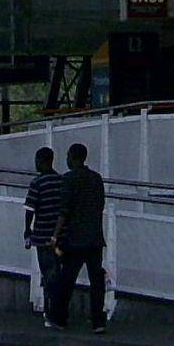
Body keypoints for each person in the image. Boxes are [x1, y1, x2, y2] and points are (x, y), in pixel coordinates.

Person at [51, 142, 107, 331]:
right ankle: (98, 320)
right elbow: (100, 204)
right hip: (95, 236)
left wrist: (55, 235)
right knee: (96, 280)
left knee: (67, 278)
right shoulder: (96, 179)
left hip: (75, 237)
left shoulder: (69, 179)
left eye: (68, 156)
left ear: (73, 158)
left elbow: (64, 210)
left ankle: (60, 318)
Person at [23, 146, 69, 328]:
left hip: (43, 237)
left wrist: (27, 230)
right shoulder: (61, 181)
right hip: (61, 237)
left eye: (37, 160)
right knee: (59, 273)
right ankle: (60, 312)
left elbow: (30, 209)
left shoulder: (37, 183)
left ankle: (51, 314)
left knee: (49, 275)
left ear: (42, 161)